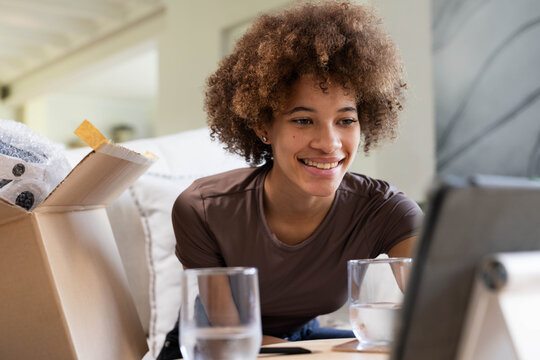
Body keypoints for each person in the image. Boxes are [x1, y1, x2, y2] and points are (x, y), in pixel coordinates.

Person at [158, 1, 423, 358]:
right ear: (264, 127)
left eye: (345, 120)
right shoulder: (204, 210)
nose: (329, 144)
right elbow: (231, 337)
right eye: (303, 120)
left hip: (304, 339)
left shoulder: (389, 212)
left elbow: (435, 319)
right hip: (214, 347)